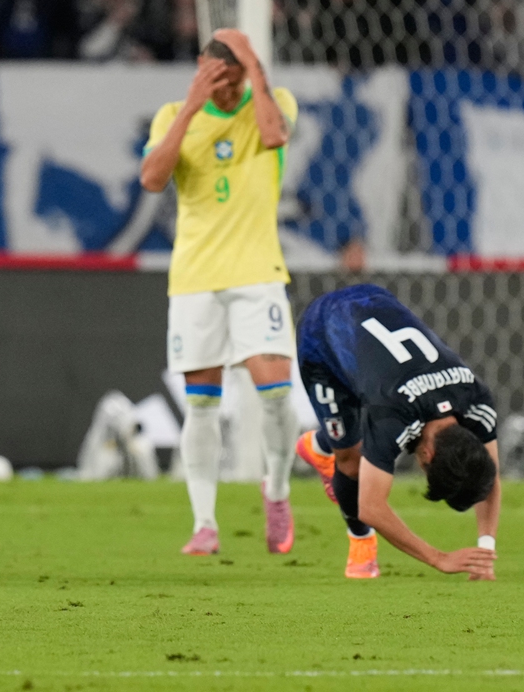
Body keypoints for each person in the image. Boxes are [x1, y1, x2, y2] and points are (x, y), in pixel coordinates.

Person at [139, 29, 300, 556]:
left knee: (275, 392)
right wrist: (190, 106)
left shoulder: (270, 107)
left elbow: (276, 138)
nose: (225, 93)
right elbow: (152, 178)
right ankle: (204, 523)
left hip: (257, 273)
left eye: (233, 82)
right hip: (195, 278)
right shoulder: (173, 115)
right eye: (218, 81)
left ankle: (276, 490)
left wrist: (254, 64)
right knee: (201, 405)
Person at [294, 284, 499, 579]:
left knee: (361, 440)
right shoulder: (394, 417)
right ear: (426, 455)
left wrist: (485, 551)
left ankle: (321, 443)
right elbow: (371, 507)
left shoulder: (476, 398)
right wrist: (438, 558)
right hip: (323, 336)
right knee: (351, 463)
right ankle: (360, 540)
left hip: (374, 304)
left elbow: (489, 476)